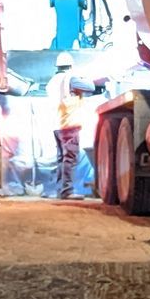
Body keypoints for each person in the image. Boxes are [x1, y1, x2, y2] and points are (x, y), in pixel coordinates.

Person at [45, 52, 92, 199]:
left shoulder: (52, 81)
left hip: (56, 124)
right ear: (71, 66)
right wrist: (83, 76)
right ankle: (67, 191)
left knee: (62, 159)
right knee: (70, 158)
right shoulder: (70, 78)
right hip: (69, 124)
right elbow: (90, 87)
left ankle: (60, 190)